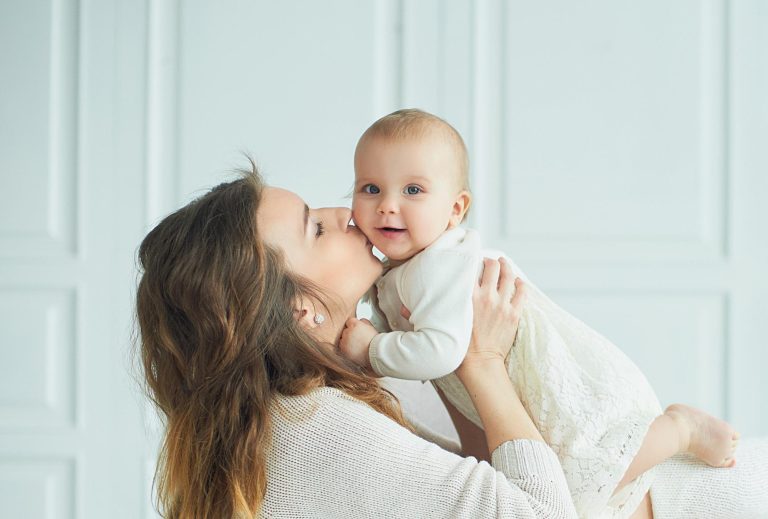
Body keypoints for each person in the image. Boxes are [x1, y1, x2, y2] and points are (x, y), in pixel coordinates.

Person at [340, 109, 768, 518]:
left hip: (552, 380)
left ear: (455, 209)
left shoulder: (441, 265)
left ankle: (679, 429)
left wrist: (371, 348)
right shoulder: (402, 269)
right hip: (511, 390)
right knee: (545, 487)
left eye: (412, 190)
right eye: (370, 188)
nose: (387, 205)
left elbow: (438, 353)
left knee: (568, 486)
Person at [135, 167, 579, 518]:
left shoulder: (301, 409)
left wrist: (447, 349)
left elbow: (476, 485)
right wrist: (483, 362)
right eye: (316, 229)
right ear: (298, 308)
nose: (345, 213)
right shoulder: (315, 431)